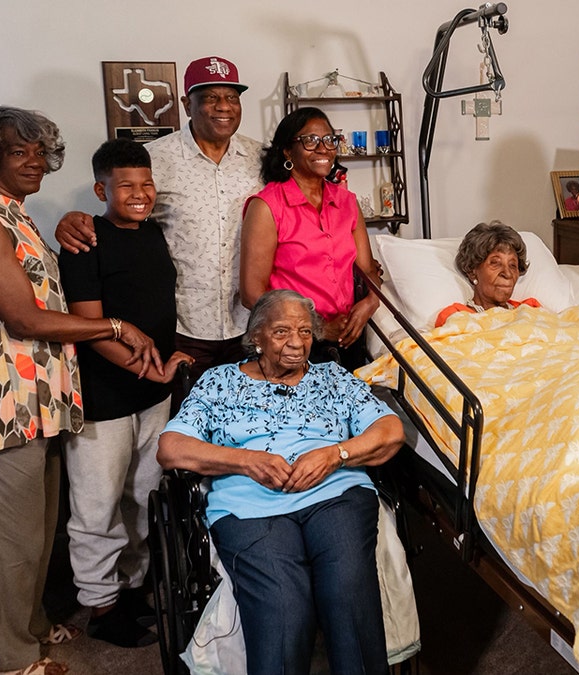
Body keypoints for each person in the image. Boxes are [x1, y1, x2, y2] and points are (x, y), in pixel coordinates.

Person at [0, 102, 159, 675]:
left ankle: (31, 629)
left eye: (39, 150)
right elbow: (26, 319)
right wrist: (113, 326)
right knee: (5, 543)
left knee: (35, 535)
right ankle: (5, 658)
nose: (35, 161)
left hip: (37, 401)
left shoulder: (17, 215)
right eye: (19, 151)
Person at [157, 289, 404, 675]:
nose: (296, 343)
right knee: (282, 605)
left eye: (306, 332)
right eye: (282, 331)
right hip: (249, 504)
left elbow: (389, 430)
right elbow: (171, 448)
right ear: (255, 337)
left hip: (335, 493)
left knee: (347, 590)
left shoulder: (332, 377)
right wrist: (247, 461)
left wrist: (334, 454)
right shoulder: (218, 383)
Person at [57, 139, 194, 648]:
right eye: (126, 186)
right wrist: (151, 372)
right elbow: (88, 328)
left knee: (144, 493)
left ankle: (131, 587)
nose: (139, 194)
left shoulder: (154, 233)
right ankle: (100, 605)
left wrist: (163, 367)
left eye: (146, 184)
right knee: (97, 505)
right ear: (101, 190)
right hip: (104, 398)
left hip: (150, 395)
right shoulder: (85, 242)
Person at [57, 56, 263, 394]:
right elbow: (121, 211)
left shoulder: (261, 159)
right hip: (182, 326)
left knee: (247, 424)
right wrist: (72, 218)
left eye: (231, 97)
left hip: (248, 323)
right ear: (186, 104)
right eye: (210, 97)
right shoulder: (156, 158)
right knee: (188, 432)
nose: (223, 106)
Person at [239, 107, 380, 371]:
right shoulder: (267, 206)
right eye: (310, 140)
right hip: (290, 342)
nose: (323, 149)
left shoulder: (347, 201)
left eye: (329, 139)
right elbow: (251, 294)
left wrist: (371, 301)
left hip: (347, 336)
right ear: (287, 151)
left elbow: (367, 269)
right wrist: (317, 329)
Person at [435, 221, 541, 327]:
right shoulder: (456, 317)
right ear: (472, 271)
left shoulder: (530, 310)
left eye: (513, 265)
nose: (507, 273)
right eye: (495, 263)